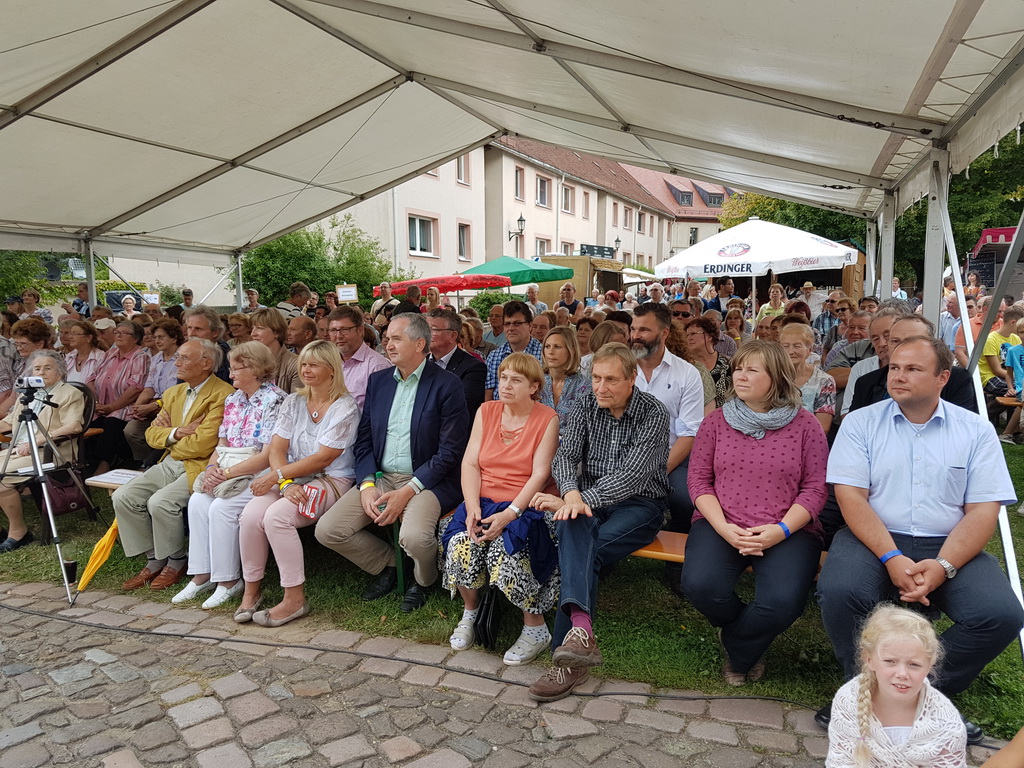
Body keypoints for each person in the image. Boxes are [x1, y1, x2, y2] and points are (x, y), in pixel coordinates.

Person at [816, 335, 1024, 744]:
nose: (898, 376)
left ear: (943, 377)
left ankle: (920, 699)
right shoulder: (861, 423)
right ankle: (862, 690)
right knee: (840, 591)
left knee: (999, 614)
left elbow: (984, 510)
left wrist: (945, 566)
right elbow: (850, 498)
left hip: (947, 542)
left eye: (912, 369)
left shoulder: (976, 431)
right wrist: (892, 557)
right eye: (895, 367)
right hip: (874, 537)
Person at [527, 343, 670, 701]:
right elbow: (565, 456)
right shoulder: (584, 405)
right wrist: (572, 494)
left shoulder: (653, 413)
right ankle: (580, 634)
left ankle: (567, 662)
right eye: (595, 378)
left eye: (611, 380)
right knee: (574, 529)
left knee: (580, 548)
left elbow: (632, 477)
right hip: (586, 500)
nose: (600, 387)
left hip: (641, 504)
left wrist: (573, 500)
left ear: (632, 379)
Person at [684, 340, 828, 685]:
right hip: (722, 522)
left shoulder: (806, 426)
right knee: (701, 586)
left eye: (752, 369)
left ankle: (738, 647)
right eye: (738, 368)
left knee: (782, 601)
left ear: (776, 376)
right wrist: (723, 528)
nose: (740, 376)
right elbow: (699, 481)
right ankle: (751, 640)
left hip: (787, 528)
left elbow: (816, 489)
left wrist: (779, 531)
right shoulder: (716, 422)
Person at [315, 313, 469, 613]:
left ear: (420, 344)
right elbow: (364, 440)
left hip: (428, 480)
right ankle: (389, 565)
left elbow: (450, 451)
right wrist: (368, 484)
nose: (388, 344)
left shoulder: (447, 384)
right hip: (382, 476)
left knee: (414, 538)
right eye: (387, 338)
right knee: (328, 530)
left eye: (396, 338)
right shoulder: (379, 381)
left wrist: (408, 490)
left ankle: (423, 580)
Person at [442, 353, 561, 664]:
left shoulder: (547, 418)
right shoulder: (487, 411)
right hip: (482, 501)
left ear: (534, 387)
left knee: (507, 549)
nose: (505, 385)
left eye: (515, 380)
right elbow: (470, 463)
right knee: (462, 543)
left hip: (526, 504)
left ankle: (535, 627)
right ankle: (471, 611)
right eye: (503, 377)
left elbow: (540, 474)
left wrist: (511, 514)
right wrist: (471, 508)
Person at [235, 341, 357, 626]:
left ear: (332, 369)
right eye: (303, 363)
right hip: (292, 476)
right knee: (251, 515)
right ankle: (252, 591)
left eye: (314, 364)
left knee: (277, 517)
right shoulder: (294, 401)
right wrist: (287, 482)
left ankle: (294, 599)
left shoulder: (345, 407)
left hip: (331, 480)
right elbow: (276, 449)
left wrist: (279, 477)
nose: (305, 370)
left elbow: (323, 459)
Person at [172, 342, 286, 608]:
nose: (231, 374)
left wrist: (226, 473)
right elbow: (221, 445)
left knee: (221, 508)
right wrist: (212, 470)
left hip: (261, 472)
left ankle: (229, 581)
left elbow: (269, 454)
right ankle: (201, 576)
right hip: (228, 469)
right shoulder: (233, 400)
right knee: (199, 501)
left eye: (237, 368)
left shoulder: (276, 399)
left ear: (256, 369)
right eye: (231, 368)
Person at [114, 340, 233, 591]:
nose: (176, 363)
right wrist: (179, 432)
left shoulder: (223, 394)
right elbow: (150, 436)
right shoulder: (172, 393)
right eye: (177, 357)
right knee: (123, 496)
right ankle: (155, 558)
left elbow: (203, 445)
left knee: (161, 502)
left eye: (184, 358)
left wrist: (168, 435)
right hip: (170, 462)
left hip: (200, 466)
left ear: (206, 363)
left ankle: (176, 561)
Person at [825, 604, 966, 768]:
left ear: (930, 665)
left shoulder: (945, 723)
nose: (902, 674)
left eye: (914, 665)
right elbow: (841, 761)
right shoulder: (849, 700)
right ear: (868, 659)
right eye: (890, 662)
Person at [0, 351, 85, 552]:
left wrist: (37, 440)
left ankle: (19, 533)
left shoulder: (70, 393)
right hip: (17, 450)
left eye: (48, 368)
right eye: (37, 368)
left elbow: (74, 426)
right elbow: (9, 422)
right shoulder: (27, 394)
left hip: (50, 452)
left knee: (1, 479)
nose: (42, 372)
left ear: (60, 372)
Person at [848, 316, 978, 415]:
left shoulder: (956, 380)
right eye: (895, 341)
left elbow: (963, 429)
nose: (904, 347)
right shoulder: (866, 383)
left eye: (914, 340)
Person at [90, 321, 150, 475]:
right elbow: (91, 379)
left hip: (125, 406)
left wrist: (112, 406)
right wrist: (96, 403)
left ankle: (104, 463)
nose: (118, 335)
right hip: (102, 405)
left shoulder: (139, 357)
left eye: (124, 333)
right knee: (90, 422)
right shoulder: (109, 354)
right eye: (117, 332)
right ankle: (90, 462)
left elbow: (136, 387)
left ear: (135, 338)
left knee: (111, 423)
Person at [123, 318, 184, 463]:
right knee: (131, 430)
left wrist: (152, 406)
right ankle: (143, 462)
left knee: (160, 429)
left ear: (174, 338)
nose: (157, 340)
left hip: (174, 407)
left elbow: (179, 392)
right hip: (154, 406)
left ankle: (156, 462)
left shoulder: (182, 358)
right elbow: (149, 387)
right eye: (155, 337)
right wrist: (137, 407)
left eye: (161, 337)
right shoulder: (156, 359)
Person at [426, 308, 486, 418]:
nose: (426, 334)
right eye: (425, 329)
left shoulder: (474, 367)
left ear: (453, 336)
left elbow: (461, 407)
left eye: (433, 330)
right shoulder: (419, 362)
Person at [327, 305, 390, 408]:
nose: (338, 336)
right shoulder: (328, 362)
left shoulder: (378, 367)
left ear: (360, 330)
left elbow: (381, 413)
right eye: (333, 330)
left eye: (345, 329)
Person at [779, 324, 836, 432]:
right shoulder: (770, 376)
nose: (791, 351)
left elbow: (822, 428)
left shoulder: (824, 381)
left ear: (809, 350)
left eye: (797, 346)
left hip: (809, 440)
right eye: (785, 346)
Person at [484, 301, 543, 401]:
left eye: (517, 323)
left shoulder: (544, 354)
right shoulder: (494, 356)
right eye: (507, 324)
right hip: (501, 413)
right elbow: (489, 396)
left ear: (530, 326)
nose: (511, 328)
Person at [539, 326, 590, 422]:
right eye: (547, 346)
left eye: (557, 347)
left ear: (572, 350)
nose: (550, 352)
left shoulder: (584, 386)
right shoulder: (536, 382)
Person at [248, 308, 300, 394]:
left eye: (260, 328)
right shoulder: (248, 361)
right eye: (252, 328)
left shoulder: (295, 364)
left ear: (277, 332)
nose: (253, 333)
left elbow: (296, 402)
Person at [685, 317, 731, 407]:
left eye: (693, 334)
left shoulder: (727, 363)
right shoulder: (685, 365)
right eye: (687, 335)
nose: (689, 338)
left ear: (709, 337)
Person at [182, 306, 231, 382]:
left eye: (198, 329)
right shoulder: (184, 354)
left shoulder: (228, 358)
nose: (191, 334)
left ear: (215, 332)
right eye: (189, 328)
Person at [63, 320, 106, 385]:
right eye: (70, 333)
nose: (70, 337)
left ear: (89, 337)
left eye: (75, 334)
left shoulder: (100, 357)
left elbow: (100, 384)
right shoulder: (69, 357)